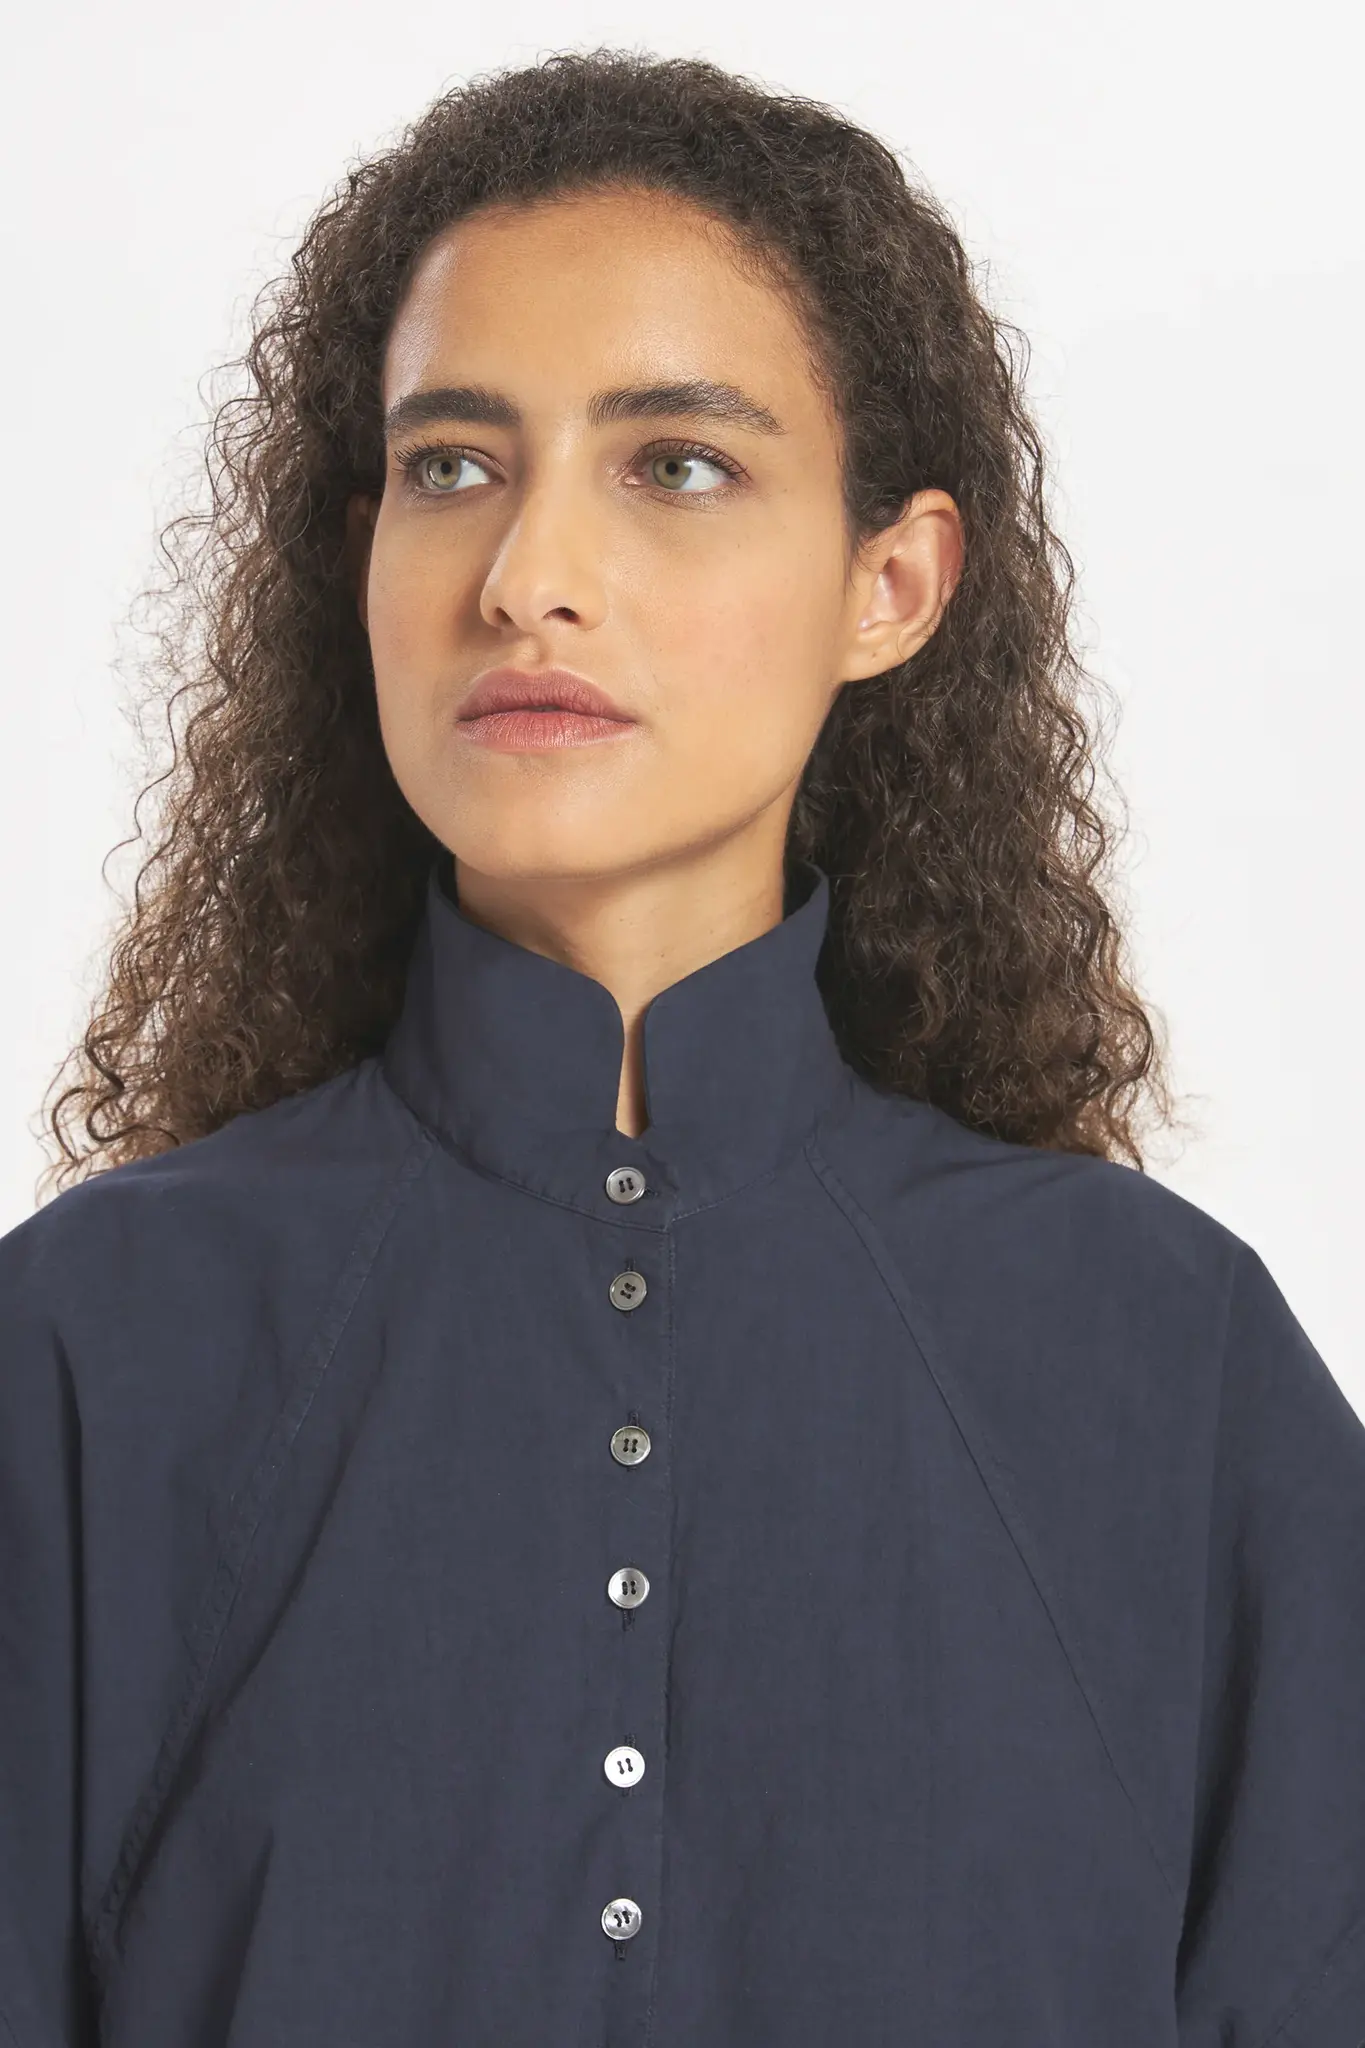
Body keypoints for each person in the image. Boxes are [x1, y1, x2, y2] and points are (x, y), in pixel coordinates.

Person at [2, 45, 1362, 2048]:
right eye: (449, 466)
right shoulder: (89, 1350)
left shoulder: (1165, 1362)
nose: (525, 577)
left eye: (677, 465)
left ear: (891, 583)